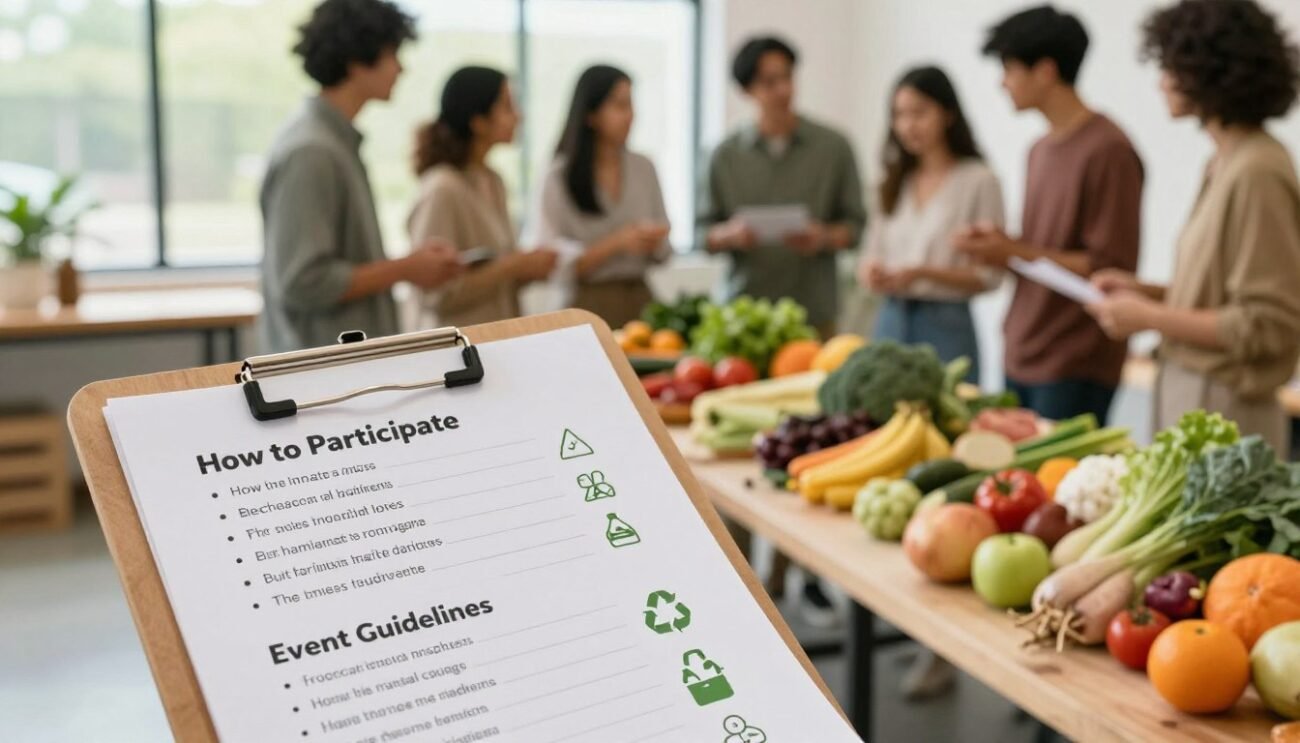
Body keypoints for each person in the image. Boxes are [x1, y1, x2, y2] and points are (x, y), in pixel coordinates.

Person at [1087, 0, 1300, 453]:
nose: (1162, 82)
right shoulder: (1223, 162)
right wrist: (1147, 292)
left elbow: (1266, 325)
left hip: (1227, 415)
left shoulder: (1257, 171)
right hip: (1192, 399)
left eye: (1172, 67)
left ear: (1211, 73)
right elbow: (1224, 295)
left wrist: (1148, 318)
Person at [956, 5, 1144, 423]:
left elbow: (1108, 270)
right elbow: (1042, 245)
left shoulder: (1109, 150)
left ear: (1044, 71)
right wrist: (1001, 245)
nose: (1002, 82)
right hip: (1022, 349)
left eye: (1009, 68)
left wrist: (1011, 249)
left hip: (1074, 361)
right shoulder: (1039, 150)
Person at [259, 0, 461, 353]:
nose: (401, 69)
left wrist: (408, 264)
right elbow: (305, 282)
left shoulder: (333, 141)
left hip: (339, 364)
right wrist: (405, 268)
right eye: (392, 54)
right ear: (357, 60)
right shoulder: (312, 150)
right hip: (319, 370)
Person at [702, 35, 867, 337]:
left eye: (788, 77)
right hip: (743, 316)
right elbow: (704, 234)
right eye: (769, 82)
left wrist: (824, 237)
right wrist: (729, 235)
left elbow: (857, 227)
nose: (784, 90)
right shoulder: (724, 155)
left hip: (815, 314)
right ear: (746, 90)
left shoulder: (834, 147)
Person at [858, 66, 1004, 383]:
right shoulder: (892, 182)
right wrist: (872, 272)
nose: (908, 126)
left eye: (920, 113)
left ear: (948, 114)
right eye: (899, 115)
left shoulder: (979, 180)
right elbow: (871, 254)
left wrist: (922, 273)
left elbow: (990, 276)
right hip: (890, 319)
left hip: (947, 325)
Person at [409, 66, 558, 327]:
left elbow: (497, 273)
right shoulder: (443, 188)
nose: (518, 117)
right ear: (478, 121)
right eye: (507, 107)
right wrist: (512, 266)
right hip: (457, 352)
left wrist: (529, 267)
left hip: (498, 341)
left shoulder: (493, 180)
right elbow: (435, 294)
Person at [533, 65, 671, 327]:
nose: (630, 116)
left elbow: (665, 251)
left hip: (641, 305)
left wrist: (654, 240)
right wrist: (617, 243)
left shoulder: (644, 167)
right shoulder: (558, 176)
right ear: (591, 114)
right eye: (620, 106)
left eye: (631, 105)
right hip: (584, 309)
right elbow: (552, 264)